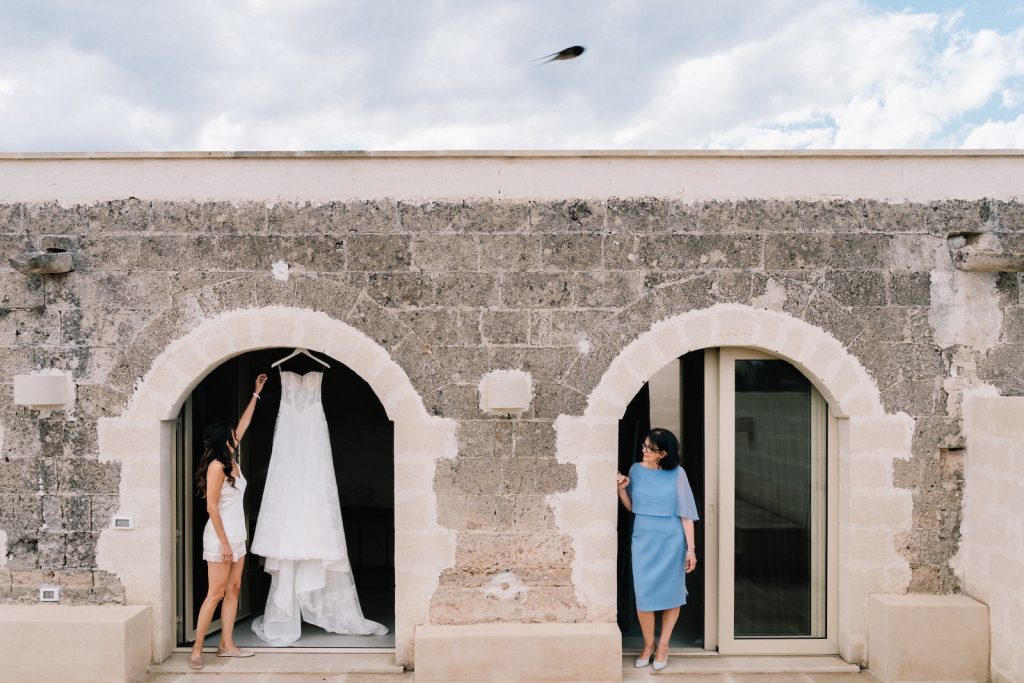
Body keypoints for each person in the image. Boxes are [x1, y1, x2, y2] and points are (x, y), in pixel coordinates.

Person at [189, 373, 268, 670]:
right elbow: (211, 507)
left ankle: (227, 645)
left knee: (233, 590)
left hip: (238, 536)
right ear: (225, 438)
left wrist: (256, 394)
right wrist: (223, 543)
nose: (237, 434)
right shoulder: (216, 466)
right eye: (232, 434)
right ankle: (197, 650)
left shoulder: (233, 461)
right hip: (220, 537)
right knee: (215, 594)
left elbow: (244, 423)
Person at [616, 428, 700, 672]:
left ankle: (663, 645)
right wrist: (621, 489)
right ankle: (648, 644)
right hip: (643, 538)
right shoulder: (635, 470)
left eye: (649, 448)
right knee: (644, 595)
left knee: (672, 593)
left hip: (671, 540)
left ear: (662, 453)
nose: (643, 450)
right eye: (643, 445)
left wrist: (690, 550)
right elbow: (632, 507)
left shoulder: (678, 474)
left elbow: (686, 515)